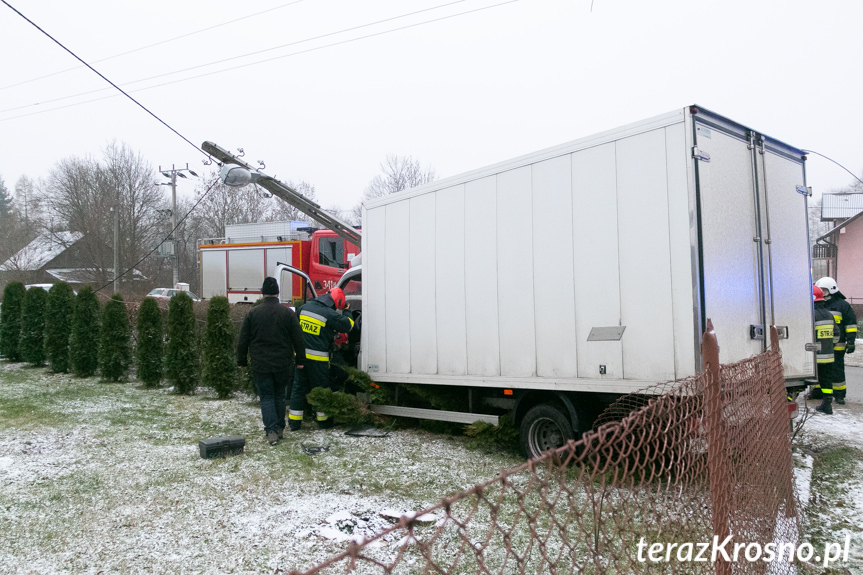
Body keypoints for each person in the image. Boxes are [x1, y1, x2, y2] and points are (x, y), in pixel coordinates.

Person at [237, 277, 306, 445]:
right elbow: (298, 339)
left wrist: (241, 360)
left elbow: (243, 339)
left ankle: (271, 431)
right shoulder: (287, 313)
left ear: (262, 293)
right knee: (279, 395)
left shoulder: (253, 313)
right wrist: (301, 360)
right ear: (277, 292)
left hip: (261, 363)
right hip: (282, 362)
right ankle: (280, 428)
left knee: (266, 396)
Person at [288, 288, 354, 430]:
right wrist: (347, 310)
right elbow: (348, 325)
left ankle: (294, 423)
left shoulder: (304, 308)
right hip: (319, 360)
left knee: (298, 389)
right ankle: (324, 422)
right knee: (321, 390)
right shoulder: (329, 314)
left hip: (301, 358)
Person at [815, 277, 858, 405]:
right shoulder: (817, 304)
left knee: (837, 371)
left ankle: (839, 395)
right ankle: (817, 392)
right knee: (818, 371)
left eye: (824, 290)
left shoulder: (842, 305)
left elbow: (851, 325)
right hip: (820, 346)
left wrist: (850, 342)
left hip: (837, 347)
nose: (822, 293)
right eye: (820, 290)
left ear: (832, 290)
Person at [812, 285, 836, 415]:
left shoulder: (811, 315)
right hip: (829, 355)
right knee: (826, 379)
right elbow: (836, 335)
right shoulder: (829, 315)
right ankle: (827, 404)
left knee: (801, 378)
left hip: (814, 355)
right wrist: (829, 345)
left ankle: (788, 401)